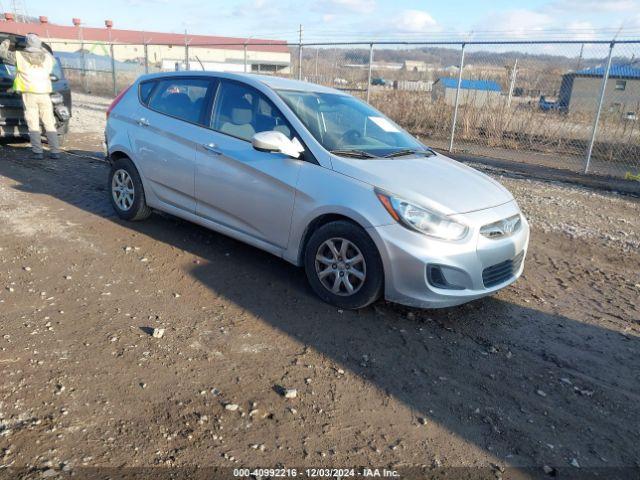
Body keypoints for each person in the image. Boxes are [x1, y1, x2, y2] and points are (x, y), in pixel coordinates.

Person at [0, 33, 60, 159]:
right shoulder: (47, 58)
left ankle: (38, 152)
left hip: (29, 94)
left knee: (33, 123)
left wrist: (6, 42)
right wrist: (42, 48)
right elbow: (52, 58)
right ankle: (55, 151)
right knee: (49, 122)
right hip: (44, 94)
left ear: (27, 44)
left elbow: (3, 54)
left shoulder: (19, 56)